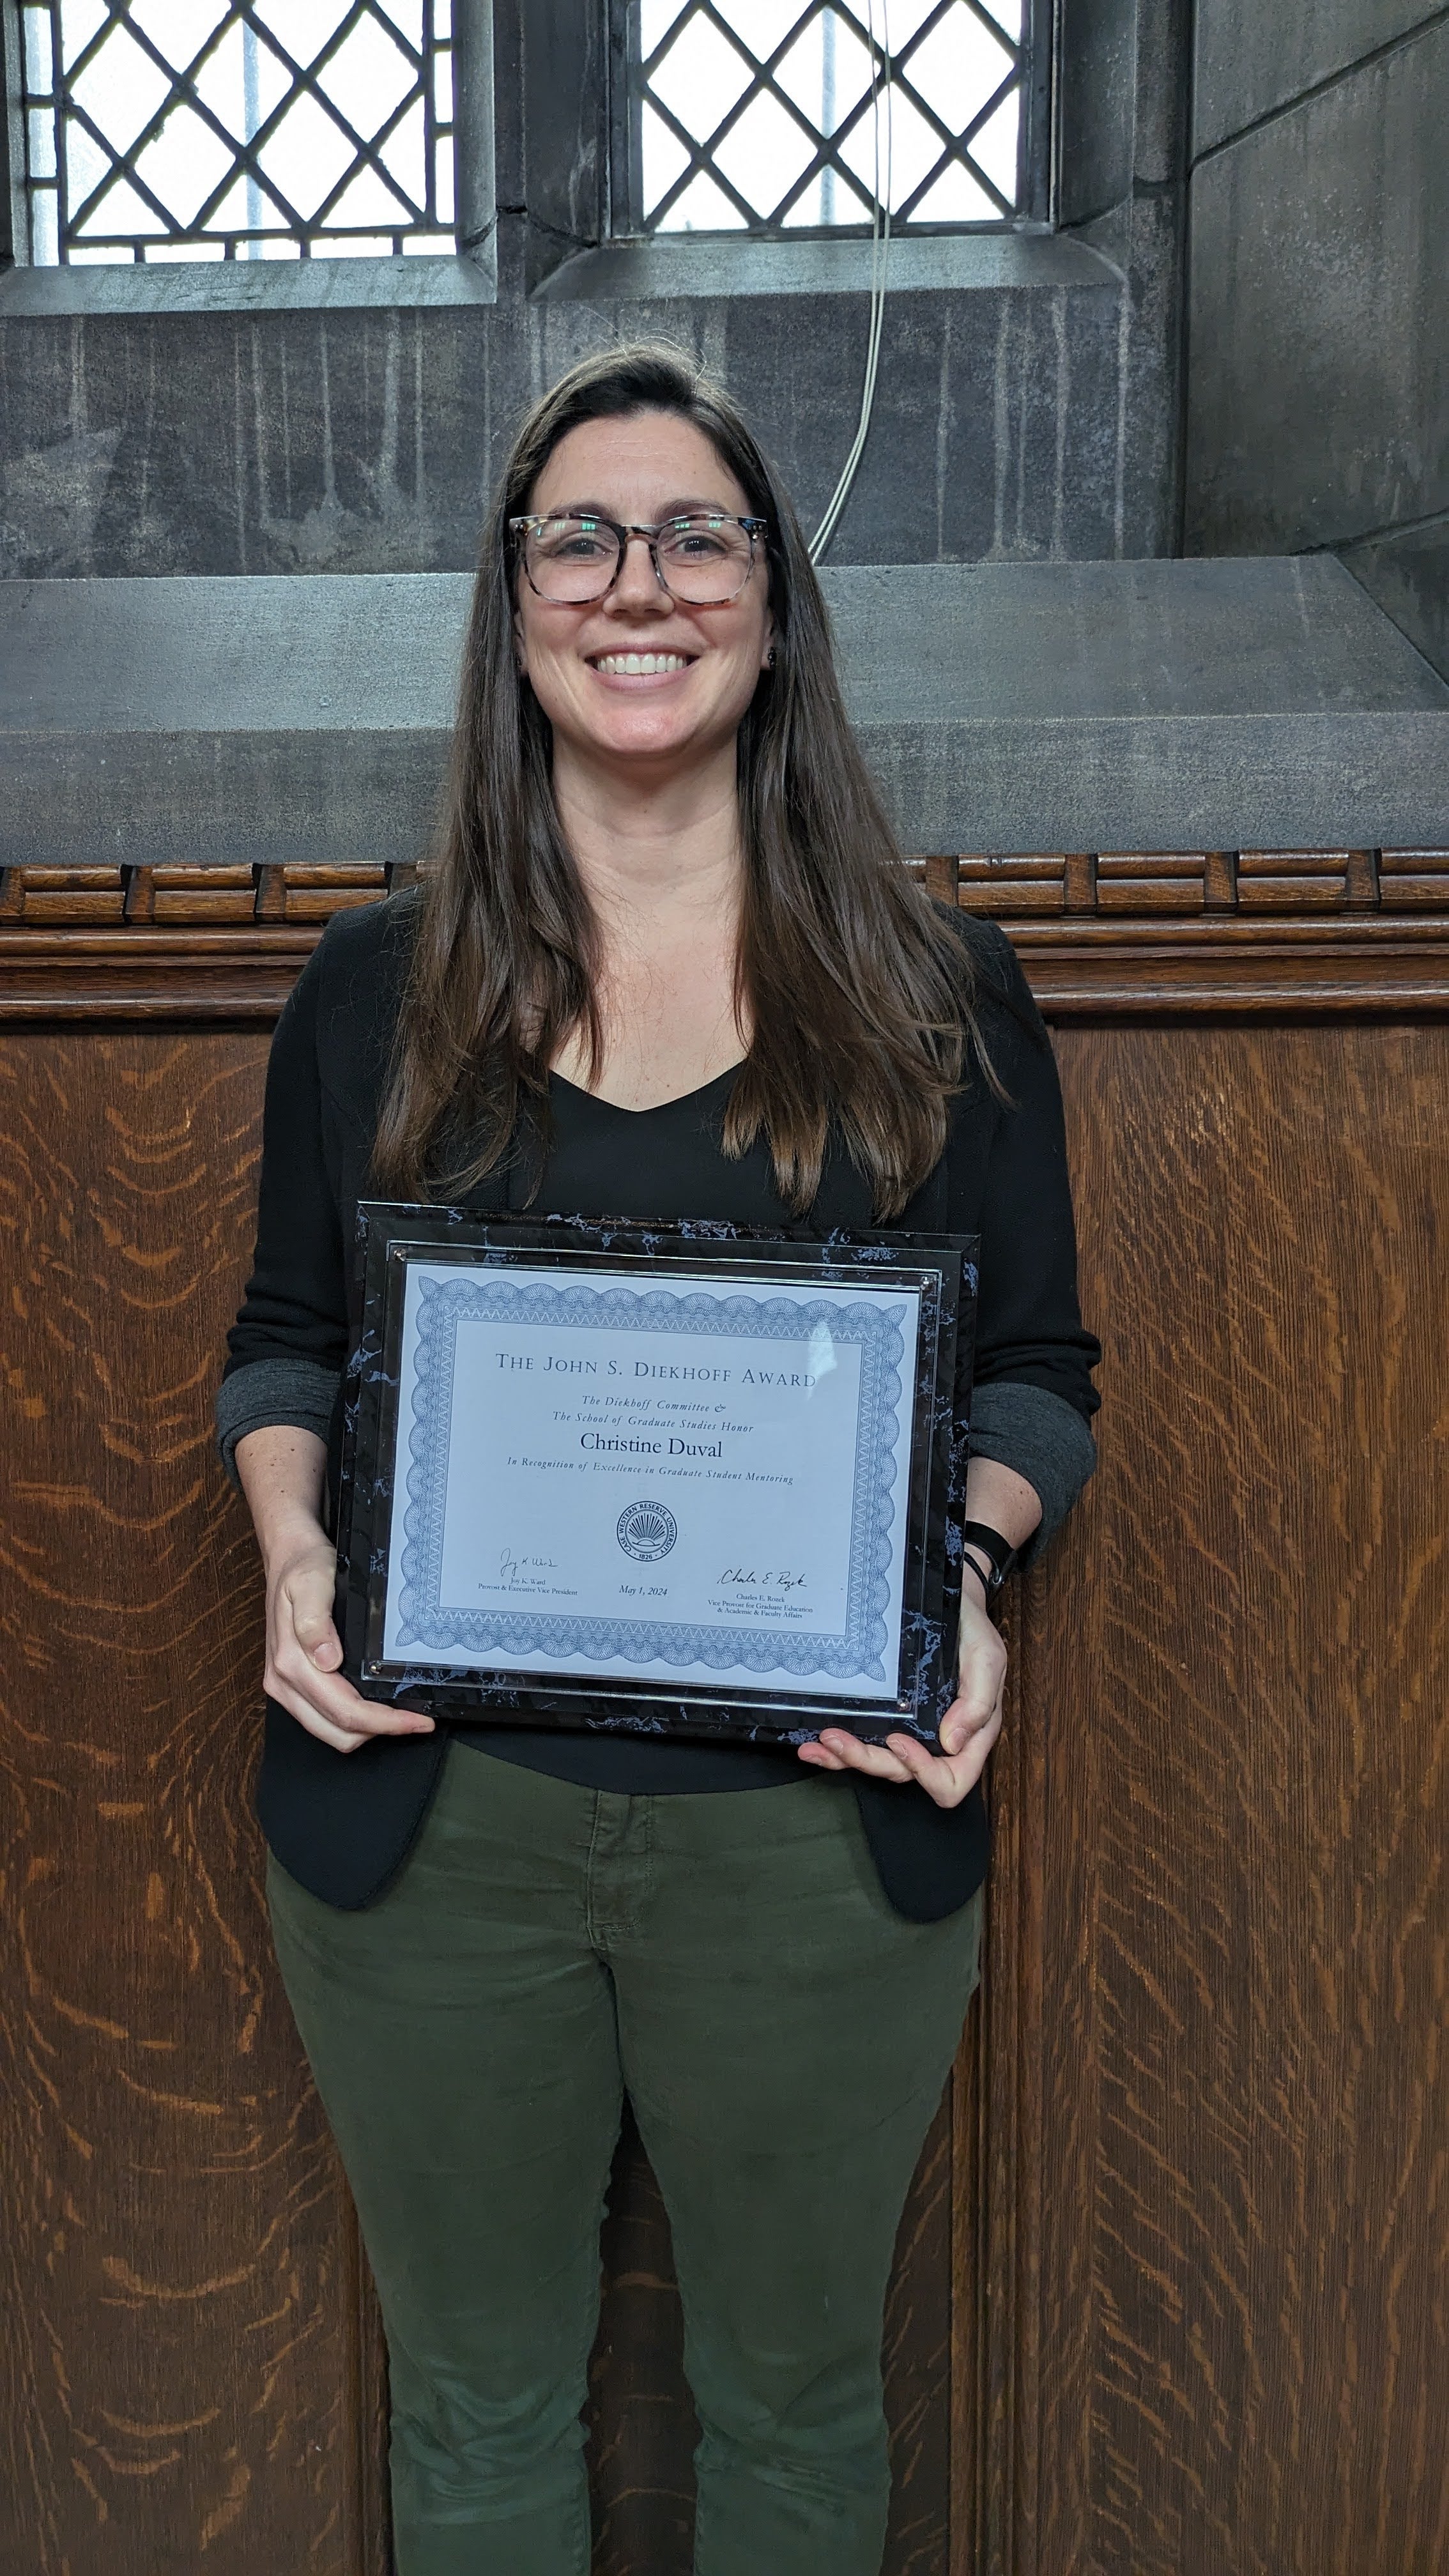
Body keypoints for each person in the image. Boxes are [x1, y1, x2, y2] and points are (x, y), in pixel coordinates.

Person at [218, 342, 1100, 2576]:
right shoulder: (372, 988)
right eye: (581, 537)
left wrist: (969, 1583)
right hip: (433, 1819)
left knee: (800, 2414)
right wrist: (292, 1557)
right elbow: (288, 1345)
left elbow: (1037, 1375)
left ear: (774, 604)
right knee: (481, 2413)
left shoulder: (934, 987)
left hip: (809, 1835)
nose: (642, 584)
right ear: (514, 604)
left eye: (697, 535)